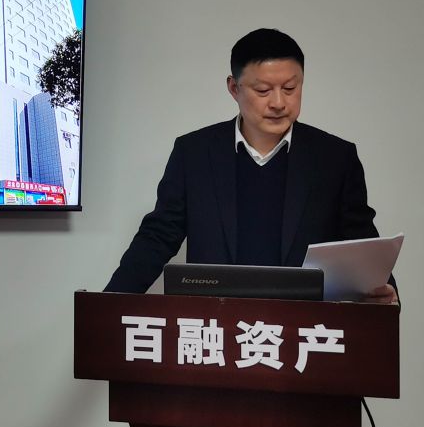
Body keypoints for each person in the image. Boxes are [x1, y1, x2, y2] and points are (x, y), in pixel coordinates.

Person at [105, 28, 397, 304]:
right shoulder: (194, 153)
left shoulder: (335, 158)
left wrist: (385, 293)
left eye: (290, 88)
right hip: (215, 323)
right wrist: (109, 302)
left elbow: (363, 243)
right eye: (263, 90)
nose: (279, 102)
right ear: (234, 88)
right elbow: (158, 237)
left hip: (303, 327)